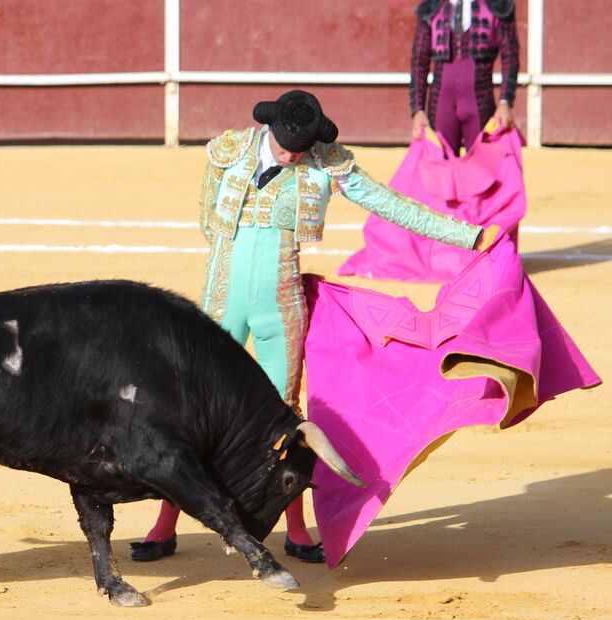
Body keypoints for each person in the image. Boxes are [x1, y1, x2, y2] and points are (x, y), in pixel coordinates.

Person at [129, 89, 495, 565]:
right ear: (269, 129)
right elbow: (208, 221)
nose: (292, 155)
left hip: (280, 306)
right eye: (285, 147)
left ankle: (297, 529)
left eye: (299, 150)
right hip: (223, 300)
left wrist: (467, 235)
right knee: (191, 409)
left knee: (284, 419)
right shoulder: (229, 151)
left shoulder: (325, 163)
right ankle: (165, 524)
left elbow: (390, 204)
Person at [410, 0, 520, 153]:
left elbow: (510, 56)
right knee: (441, 167)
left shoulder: (496, 6)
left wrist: (505, 101)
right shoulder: (432, 8)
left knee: (482, 167)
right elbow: (418, 62)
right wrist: (418, 110)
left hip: (480, 102)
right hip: (441, 104)